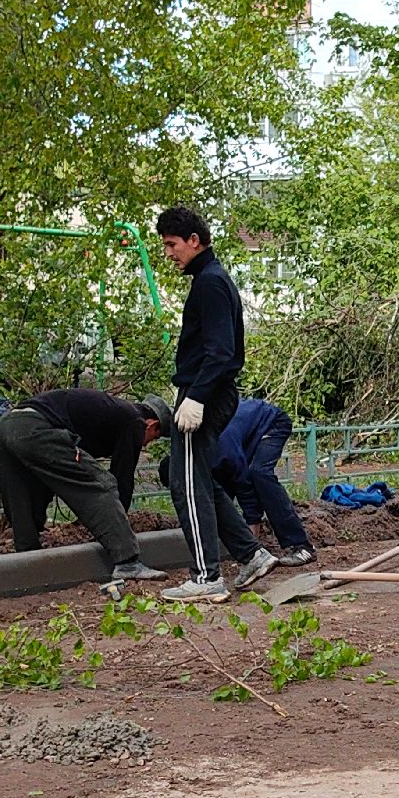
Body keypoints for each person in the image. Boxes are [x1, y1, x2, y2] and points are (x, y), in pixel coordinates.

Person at [155, 206, 278, 603]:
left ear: (194, 240)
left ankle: (206, 576)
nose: (168, 254)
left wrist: (195, 397)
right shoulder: (210, 279)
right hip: (209, 393)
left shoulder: (210, 282)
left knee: (185, 484)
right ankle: (251, 554)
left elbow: (221, 352)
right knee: (196, 480)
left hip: (204, 395)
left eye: (172, 245)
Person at [0, 388, 173, 582]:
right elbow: (122, 479)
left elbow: (67, 468)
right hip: (33, 429)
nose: (145, 445)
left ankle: (28, 564)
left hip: (5, 428)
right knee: (102, 484)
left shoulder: (111, 411)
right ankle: (128, 563)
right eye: (153, 438)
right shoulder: (135, 420)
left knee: (23, 496)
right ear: (152, 425)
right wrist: (117, 523)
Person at [218, 397, 315, 565]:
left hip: (272, 423)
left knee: (259, 473)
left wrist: (253, 521)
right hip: (245, 435)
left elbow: (242, 481)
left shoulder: (222, 441)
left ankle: (302, 545)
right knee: (221, 488)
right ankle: (240, 547)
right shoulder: (197, 448)